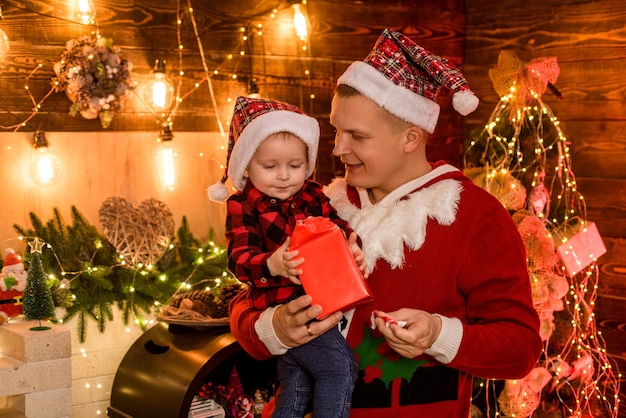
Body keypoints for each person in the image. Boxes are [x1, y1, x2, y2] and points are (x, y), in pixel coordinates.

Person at [228, 28, 543, 417]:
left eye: (357, 136)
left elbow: (522, 349)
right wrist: (273, 328)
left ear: (411, 137)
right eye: (337, 129)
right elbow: (245, 298)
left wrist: (438, 334)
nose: (338, 148)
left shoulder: (476, 218)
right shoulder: (315, 204)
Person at [208, 95, 368, 417]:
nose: (284, 176)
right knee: (340, 368)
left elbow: (338, 227)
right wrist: (271, 263)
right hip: (284, 306)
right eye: (270, 166)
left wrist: (353, 247)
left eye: (294, 166)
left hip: (320, 298)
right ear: (246, 165)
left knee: (296, 383)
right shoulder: (243, 204)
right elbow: (238, 259)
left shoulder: (313, 194)